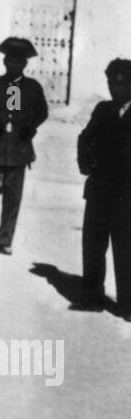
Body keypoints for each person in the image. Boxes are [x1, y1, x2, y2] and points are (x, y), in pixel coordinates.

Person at [0, 36, 48, 253]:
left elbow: (43, 113)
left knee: (13, 196)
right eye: (10, 61)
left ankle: (5, 239)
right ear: (4, 62)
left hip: (18, 150)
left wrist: (30, 127)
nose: (14, 65)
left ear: (25, 64)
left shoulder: (33, 88)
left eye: (19, 61)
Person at [72, 58, 131, 316]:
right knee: (93, 244)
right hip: (99, 189)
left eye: (120, 84)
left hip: (127, 195)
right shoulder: (102, 110)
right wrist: (86, 164)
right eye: (110, 83)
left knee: (126, 248)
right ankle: (92, 296)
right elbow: (85, 138)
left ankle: (127, 305)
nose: (114, 89)